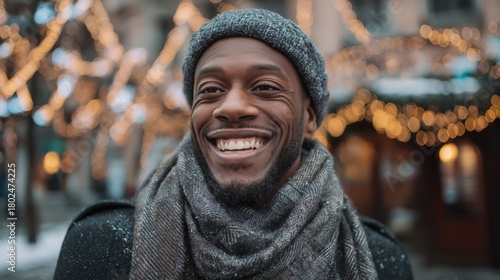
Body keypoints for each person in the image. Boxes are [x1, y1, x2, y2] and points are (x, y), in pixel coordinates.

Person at [54, 9, 413, 280]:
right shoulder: (102, 248)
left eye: (266, 87)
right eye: (210, 90)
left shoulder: (382, 260)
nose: (232, 107)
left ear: (309, 117)